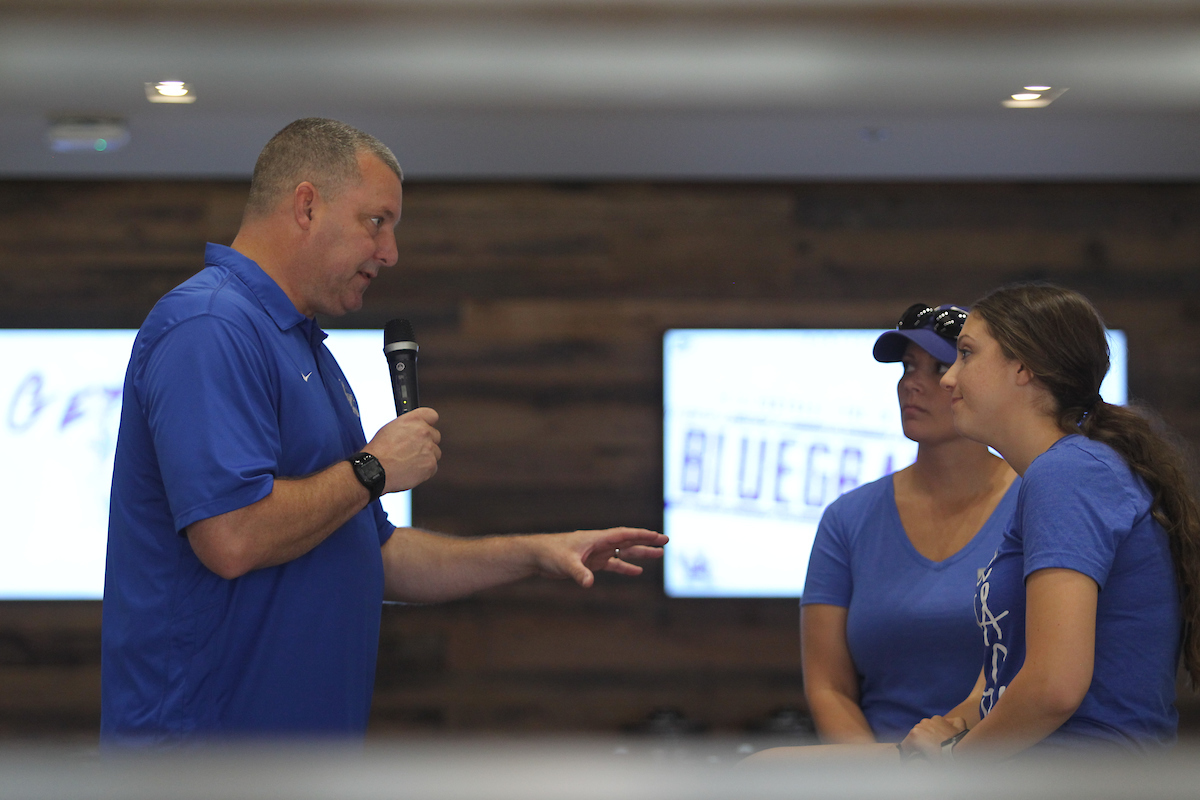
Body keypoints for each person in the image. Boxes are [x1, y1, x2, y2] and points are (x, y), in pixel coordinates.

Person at [101, 118, 667, 743]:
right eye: (377, 221)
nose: (390, 252)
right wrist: (370, 469)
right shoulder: (210, 326)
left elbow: (372, 555)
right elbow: (231, 537)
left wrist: (536, 554)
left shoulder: (303, 345)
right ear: (307, 206)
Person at [898, 283, 1200, 759]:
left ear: (1023, 368)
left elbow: (1054, 687)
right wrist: (934, 745)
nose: (949, 379)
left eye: (966, 355)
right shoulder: (1060, 473)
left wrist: (953, 763)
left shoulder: (1068, 473)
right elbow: (1000, 687)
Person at [801, 303, 1019, 744]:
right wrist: (878, 779)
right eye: (907, 367)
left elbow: (1034, 674)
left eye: (938, 366)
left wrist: (939, 762)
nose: (911, 385)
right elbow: (829, 688)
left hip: (998, 764)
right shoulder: (847, 518)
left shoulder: (1035, 499)